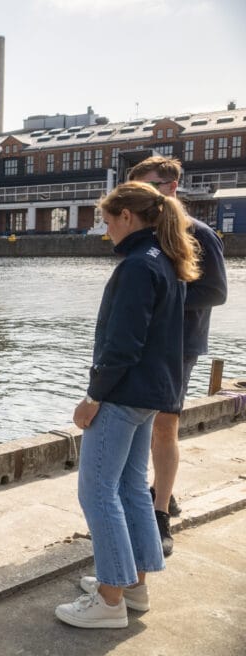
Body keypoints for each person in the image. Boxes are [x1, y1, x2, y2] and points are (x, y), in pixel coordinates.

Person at [55, 181, 200, 629]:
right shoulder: (166, 261)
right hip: (151, 394)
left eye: (107, 221)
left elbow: (122, 343)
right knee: (131, 487)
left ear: (126, 217)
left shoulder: (138, 267)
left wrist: (93, 395)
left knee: (97, 490)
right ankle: (133, 584)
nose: (106, 231)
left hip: (122, 394)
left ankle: (109, 598)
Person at [128, 156, 227, 556]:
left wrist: (162, 299)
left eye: (150, 188)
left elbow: (216, 292)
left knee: (165, 426)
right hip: (143, 343)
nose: (144, 198)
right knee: (139, 425)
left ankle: (160, 510)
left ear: (170, 188)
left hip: (179, 344)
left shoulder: (198, 233)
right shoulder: (144, 233)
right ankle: (149, 494)